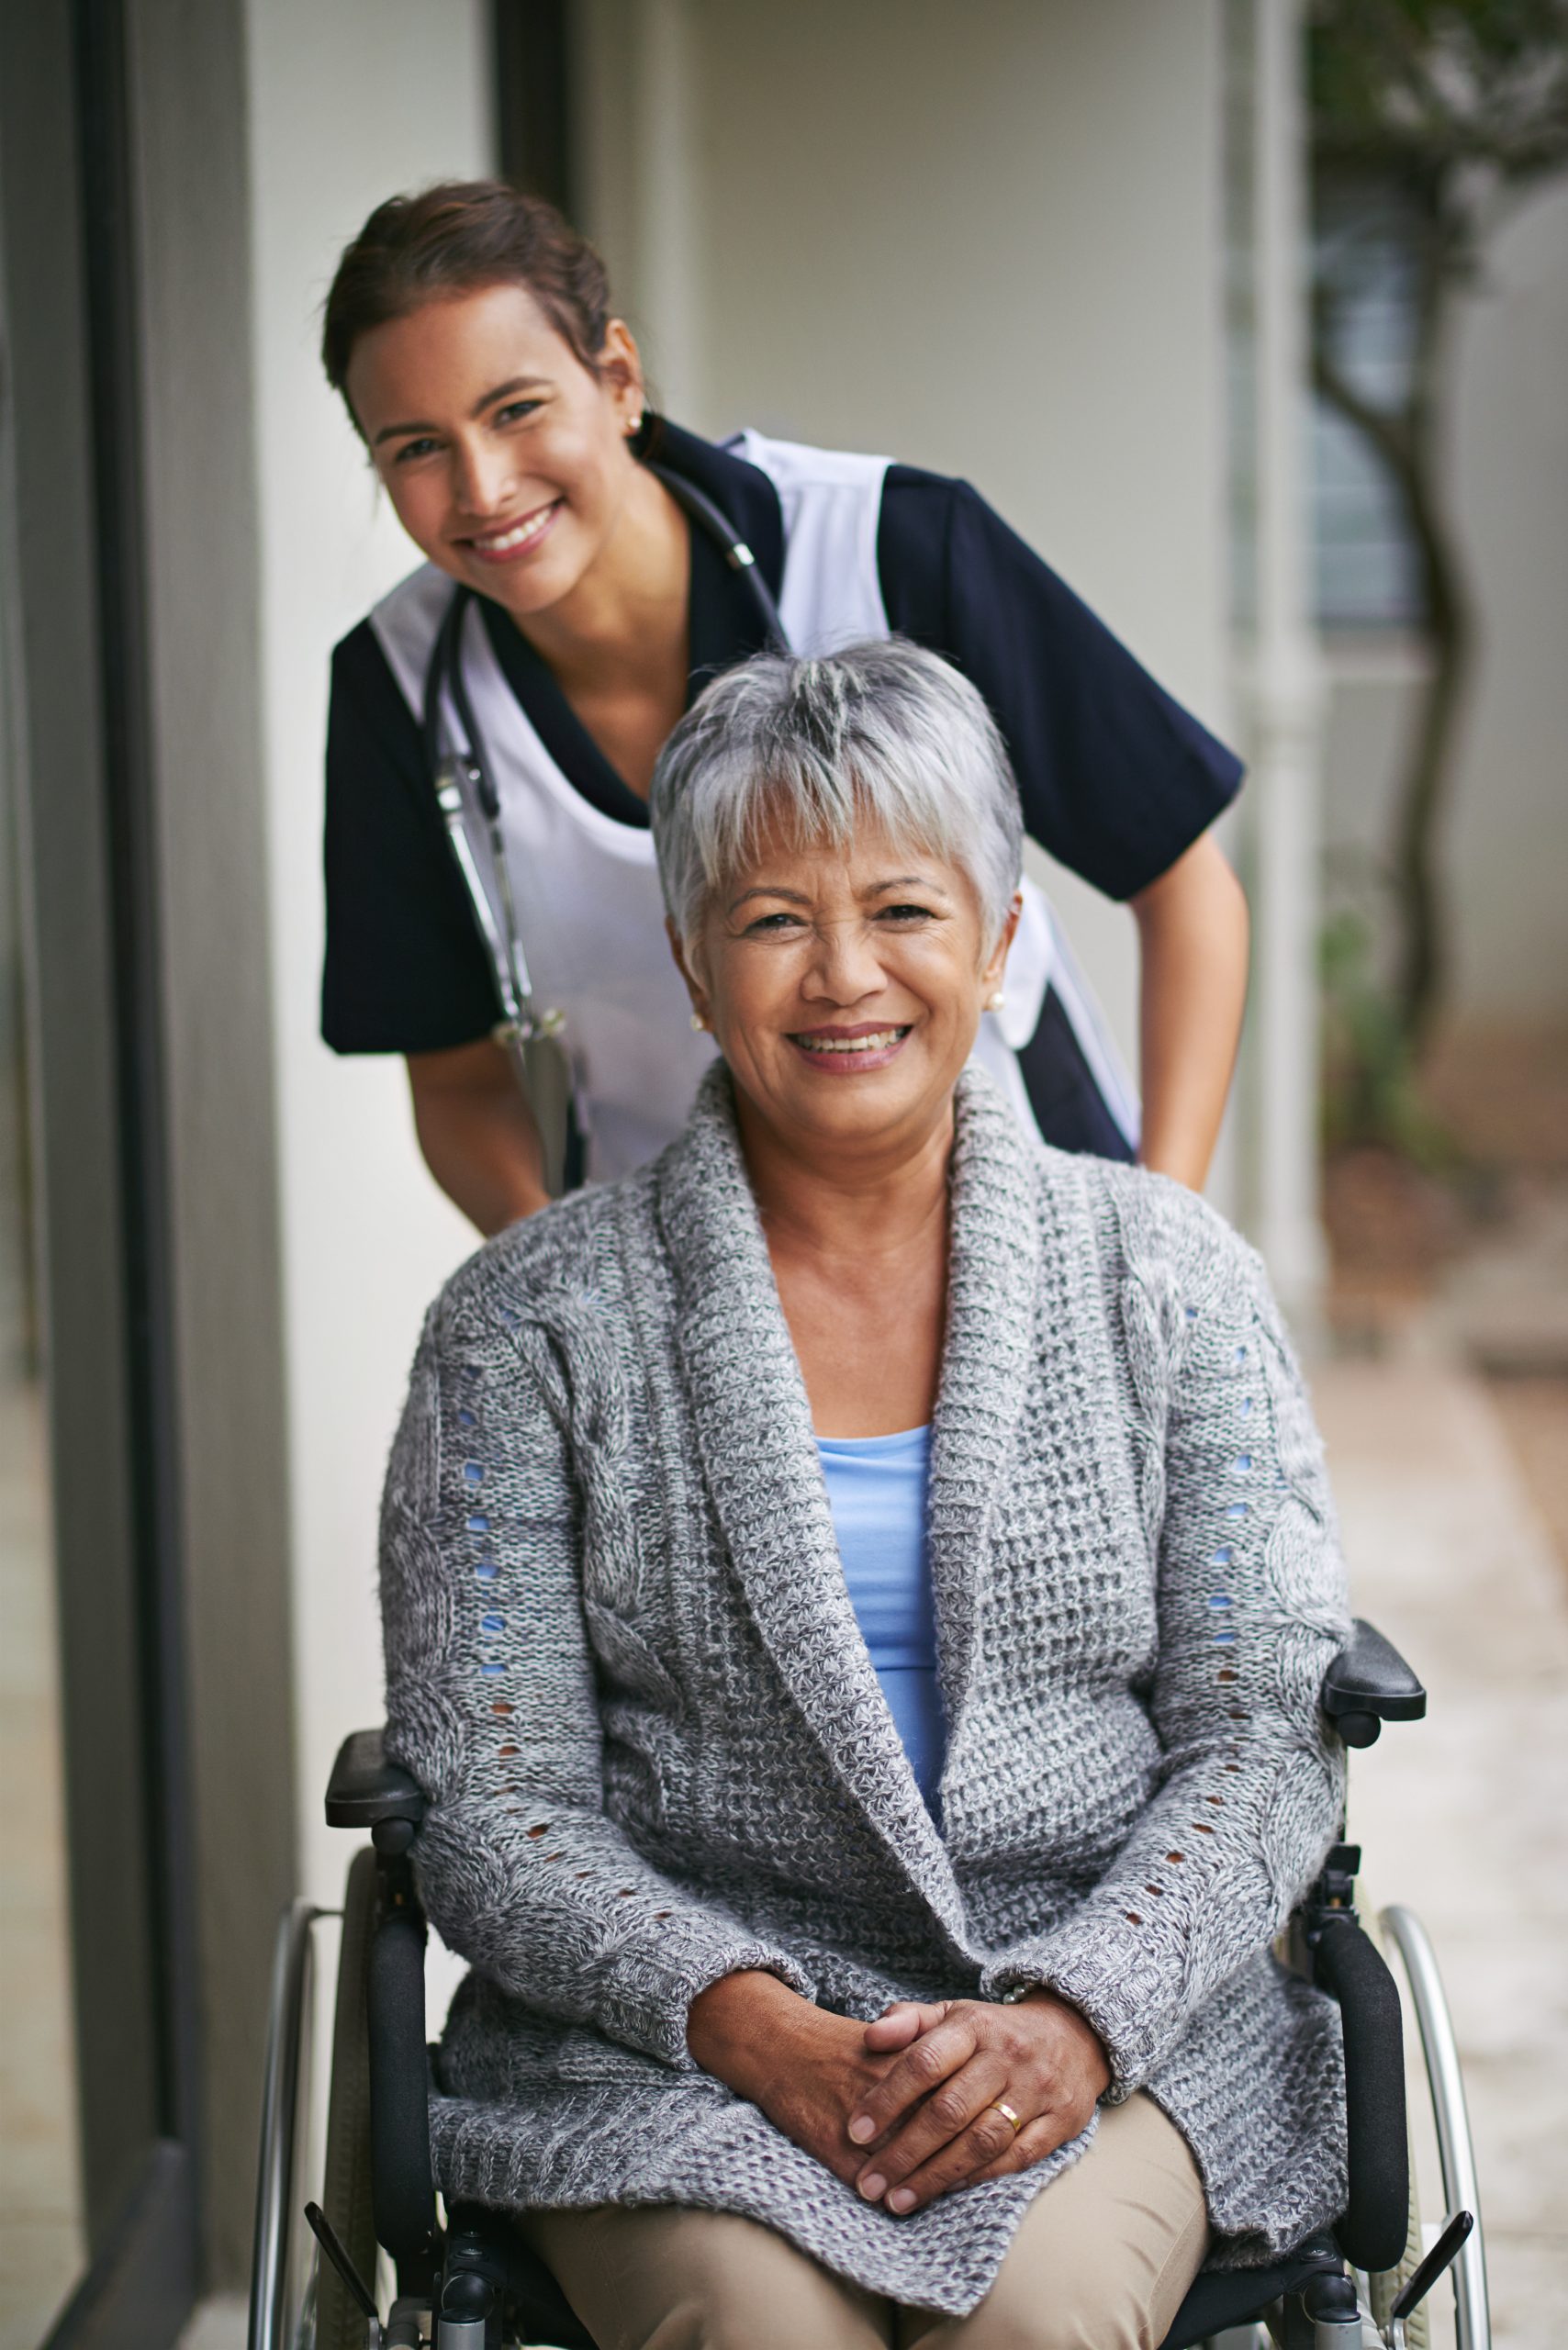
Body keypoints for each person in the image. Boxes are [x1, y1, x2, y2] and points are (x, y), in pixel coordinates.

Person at [379, 641, 1350, 2349]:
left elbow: (1264, 1728)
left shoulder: (1166, 1281)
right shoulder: (527, 1326)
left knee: (1039, 2327)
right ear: (690, 965)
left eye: (901, 909)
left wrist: (1076, 2014)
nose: (842, 977)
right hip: (674, 2052)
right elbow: (494, 1805)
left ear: (997, 938)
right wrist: (750, 2023)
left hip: (1106, 2018)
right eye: (769, 922)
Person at [321, 180, 1250, 1233]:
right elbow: (452, 1082)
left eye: (516, 409)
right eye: (416, 448)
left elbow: (1186, 891)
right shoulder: (393, 691)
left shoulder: (892, 550)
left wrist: (1160, 1237)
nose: (482, 488)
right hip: (682, 1287)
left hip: (1028, 1227)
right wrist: (572, 1296)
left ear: (617, 378)